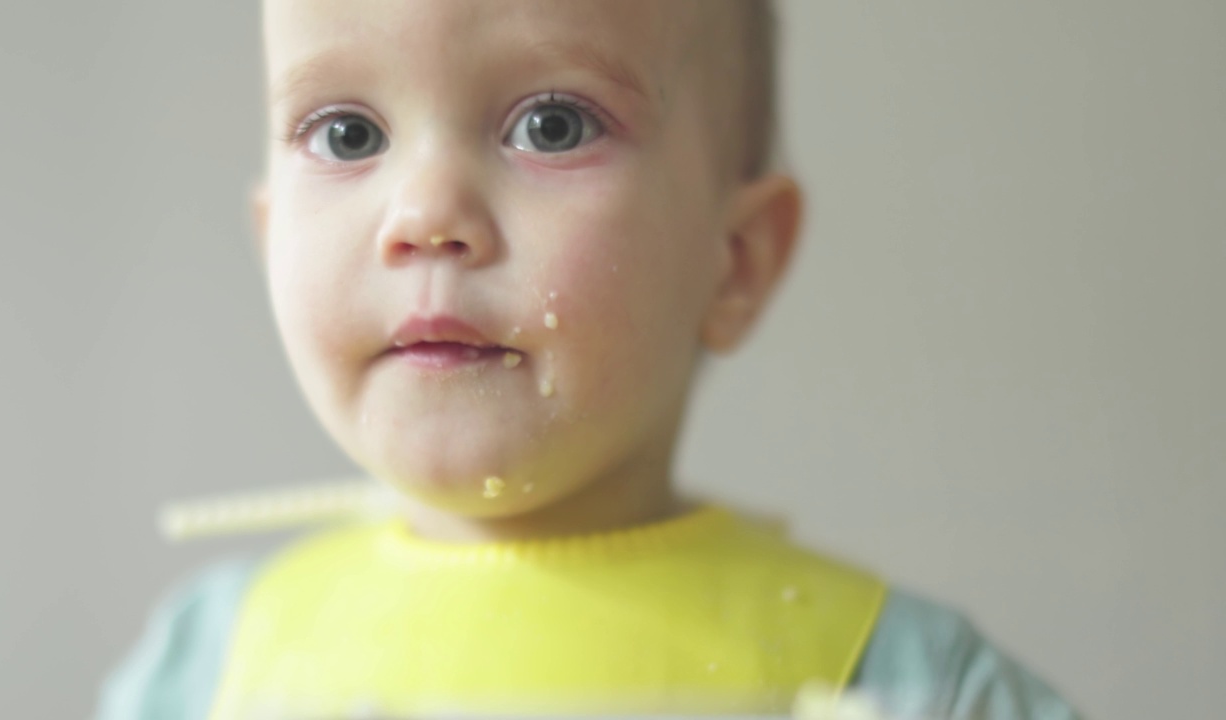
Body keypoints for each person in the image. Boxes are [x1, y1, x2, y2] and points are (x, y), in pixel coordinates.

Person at [97, 1, 1084, 718]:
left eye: (551, 125)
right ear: (270, 239)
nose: (425, 214)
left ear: (731, 262)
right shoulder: (203, 670)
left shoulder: (901, 683)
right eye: (345, 133)